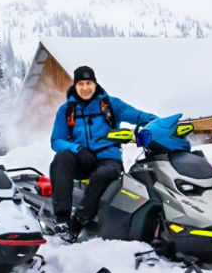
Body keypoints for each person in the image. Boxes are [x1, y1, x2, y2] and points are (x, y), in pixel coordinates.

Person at [49, 66, 156, 241]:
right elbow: (56, 140)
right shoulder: (66, 110)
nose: (85, 87)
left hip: (108, 158)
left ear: (95, 83)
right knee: (61, 158)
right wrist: (77, 150)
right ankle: (62, 218)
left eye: (88, 83)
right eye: (81, 84)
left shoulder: (111, 105)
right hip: (81, 158)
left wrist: (158, 125)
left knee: (105, 174)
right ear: (75, 86)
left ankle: (80, 220)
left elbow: (138, 116)